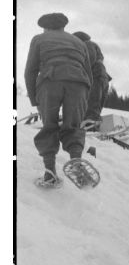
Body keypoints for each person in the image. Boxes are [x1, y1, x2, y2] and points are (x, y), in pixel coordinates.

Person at [24, 13, 93, 187]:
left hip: (50, 81)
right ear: (63, 26)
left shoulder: (39, 39)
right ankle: (77, 163)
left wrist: (34, 99)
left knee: (49, 126)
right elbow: (89, 74)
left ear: (46, 27)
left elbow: (30, 71)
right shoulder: (78, 42)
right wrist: (84, 97)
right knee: (73, 126)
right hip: (79, 84)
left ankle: (50, 174)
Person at [72, 31, 112, 126]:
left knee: (92, 105)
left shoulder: (87, 45)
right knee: (96, 106)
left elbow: (89, 61)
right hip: (102, 77)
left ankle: (90, 126)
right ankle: (93, 123)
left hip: (95, 77)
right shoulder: (94, 46)